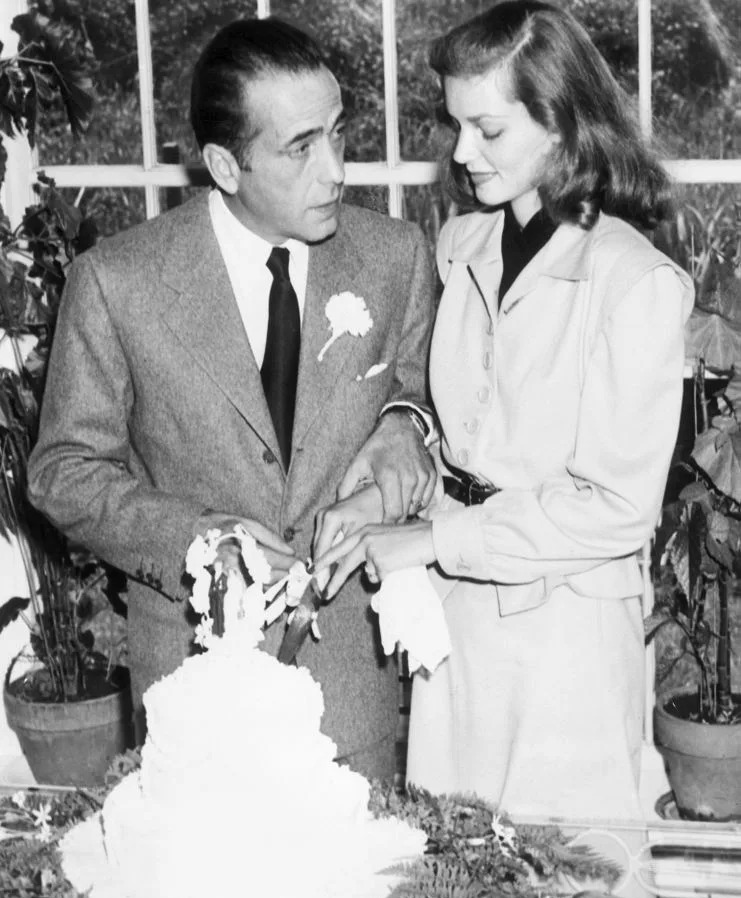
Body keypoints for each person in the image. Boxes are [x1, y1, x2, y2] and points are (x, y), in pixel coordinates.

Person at [26, 17, 436, 780]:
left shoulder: (395, 258)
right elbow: (63, 471)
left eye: (338, 135)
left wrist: (406, 423)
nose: (336, 172)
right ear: (223, 164)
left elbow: (427, 397)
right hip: (193, 698)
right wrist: (198, 540)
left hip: (350, 703)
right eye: (300, 147)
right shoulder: (117, 283)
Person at [315, 0, 695, 820]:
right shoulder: (462, 247)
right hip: (456, 615)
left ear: (560, 125)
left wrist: (429, 538)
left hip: (568, 632)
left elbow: (615, 511)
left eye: (487, 130)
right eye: (454, 125)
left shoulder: (633, 283)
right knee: (458, 885)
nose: (460, 153)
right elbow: (454, 426)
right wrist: (384, 491)